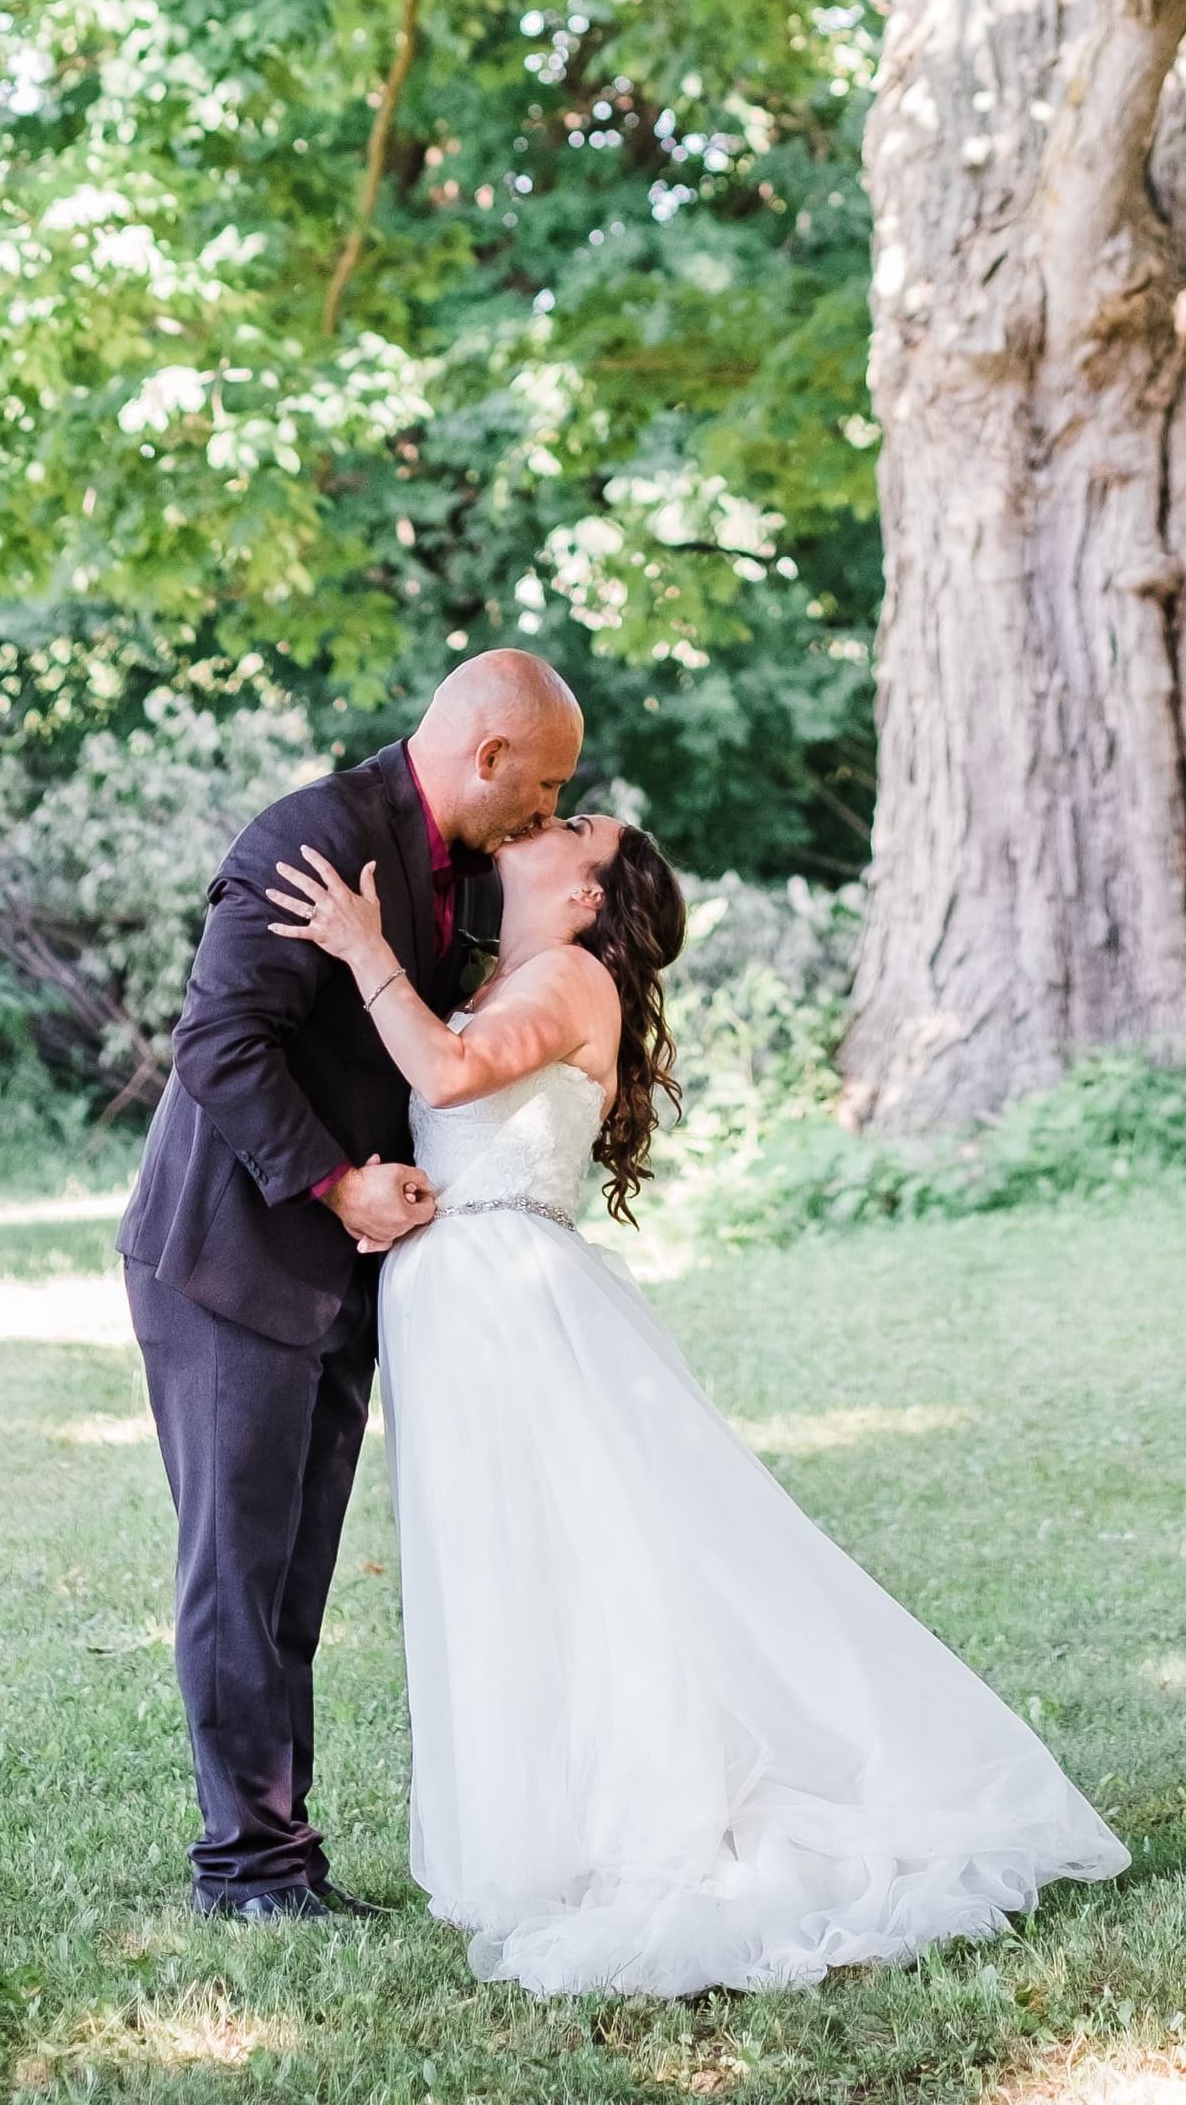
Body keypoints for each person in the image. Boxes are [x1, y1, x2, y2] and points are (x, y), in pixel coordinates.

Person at [272, 800, 1129, 1995]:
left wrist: (365, 950)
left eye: (577, 824)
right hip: (460, 1299)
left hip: (511, 1307)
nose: (551, 817)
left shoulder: (571, 976)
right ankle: (570, 1825)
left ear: (583, 893)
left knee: (590, 1564)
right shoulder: (517, 970)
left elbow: (454, 1071)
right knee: (515, 1568)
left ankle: (658, 1815)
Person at [114, 645, 585, 1919]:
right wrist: (334, 1184)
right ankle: (247, 1870)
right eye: (541, 793)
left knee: (295, 1577)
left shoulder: (468, 869)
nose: (544, 818)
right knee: (237, 1570)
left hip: (346, 1279)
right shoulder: (313, 838)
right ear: (486, 757)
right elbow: (216, 1041)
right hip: (233, 1257)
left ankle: (283, 1858)